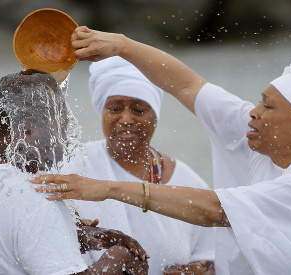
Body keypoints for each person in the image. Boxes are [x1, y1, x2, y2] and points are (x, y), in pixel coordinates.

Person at [31, 26, 291, 274]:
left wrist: (107, 188)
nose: (253, 112)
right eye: (259, 100)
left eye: (267, 106)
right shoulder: (255, 136)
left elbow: (215, 210)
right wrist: (121, 45)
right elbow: (186, 85)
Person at [0, 70, 149, 274]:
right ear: (27, 128)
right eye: (62, 126)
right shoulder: (35, 196)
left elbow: (0, 247)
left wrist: (75, 235)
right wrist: (118, 260)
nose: (65, 140)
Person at [61, 56, 215, 274]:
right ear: (102, 112)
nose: (126, 119)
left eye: (139, 110)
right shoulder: (72, 166)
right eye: (115, 109)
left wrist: (198, 270)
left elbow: (215, 257)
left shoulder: (187, 181)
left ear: (155, 115)